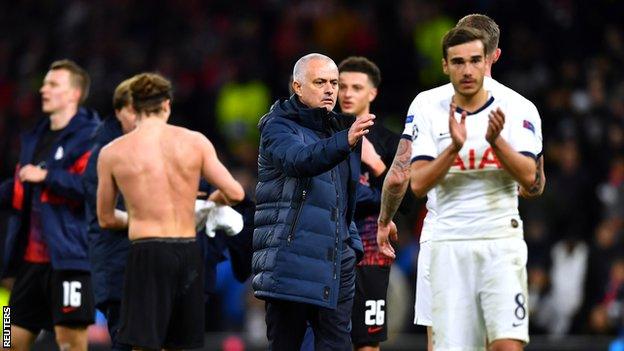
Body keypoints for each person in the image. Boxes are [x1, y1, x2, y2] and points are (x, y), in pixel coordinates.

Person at [376, 14, 546, 351]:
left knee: (498, 344)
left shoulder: (515, 107)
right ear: (446, 64)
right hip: (448, 243)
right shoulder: (431, 104)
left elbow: (532, 182)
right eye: (458, 60)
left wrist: (385, 220)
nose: (467, 68)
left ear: (488, 57)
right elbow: (417, 182)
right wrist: (455, 147)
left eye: (473, 59)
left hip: (495, 238)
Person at [96, 72, 245, 350]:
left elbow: (105, 218)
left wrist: (138, 217)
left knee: (141, 345)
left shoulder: (112, 153)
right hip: (188, 252)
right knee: (179, 345)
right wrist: (208, 203)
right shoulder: (195, 142)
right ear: (167, 104)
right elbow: (235, 193)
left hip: (146, 251)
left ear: (135, 106)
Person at [252, 53, 374, 350]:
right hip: (291, 260)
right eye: (320, 82)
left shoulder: (338, 130)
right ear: (297, 86)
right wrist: (344, 142)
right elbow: (300, 160)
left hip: (336, 262)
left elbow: (345, 199)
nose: (331, 90)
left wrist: (350, 245)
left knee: (337, 346)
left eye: (334, 82)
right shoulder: (278, 127)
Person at [0, 59, 100, 351]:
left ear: (74, 94)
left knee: (71, 344)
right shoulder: (34, 136)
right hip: (27, 263)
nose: (43, 89)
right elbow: (20, 185)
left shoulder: (91, 136)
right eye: (44, 83)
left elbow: (92, 187)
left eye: (53, 84)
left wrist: (47, 176)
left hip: (69, 260)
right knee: (7, 341)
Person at [338, 56, 402, 351]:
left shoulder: (390, 142)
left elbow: (408, 202)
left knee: (367, 341)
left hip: (370, 250)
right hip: (329, 245)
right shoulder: (325, 135)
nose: (347, 93)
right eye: (342, 86)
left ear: (372, 93)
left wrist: (375, 164)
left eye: (356, 87)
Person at [83, 77, 137, 351]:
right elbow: (106, 216)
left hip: (138, 264)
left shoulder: (138, 148)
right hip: (116, 268)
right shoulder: (104, 155)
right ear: (118, 111)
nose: (139, 117)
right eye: (132, 110)